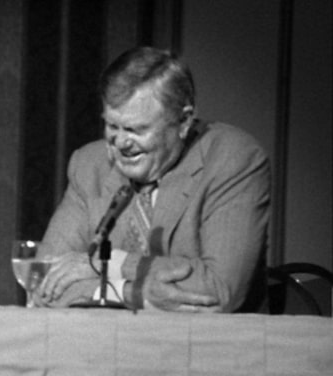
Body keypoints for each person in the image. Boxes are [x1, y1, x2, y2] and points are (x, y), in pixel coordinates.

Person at [36, 46, 270, 312]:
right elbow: (43, 282)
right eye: (113, 126)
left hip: (209, 348)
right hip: (105, 346)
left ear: (183, 121)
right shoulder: (90, 165)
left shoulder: (232, 159)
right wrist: (130, 293)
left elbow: (218, 290)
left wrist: (108, 265)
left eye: (136, 129)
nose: (121, 143)